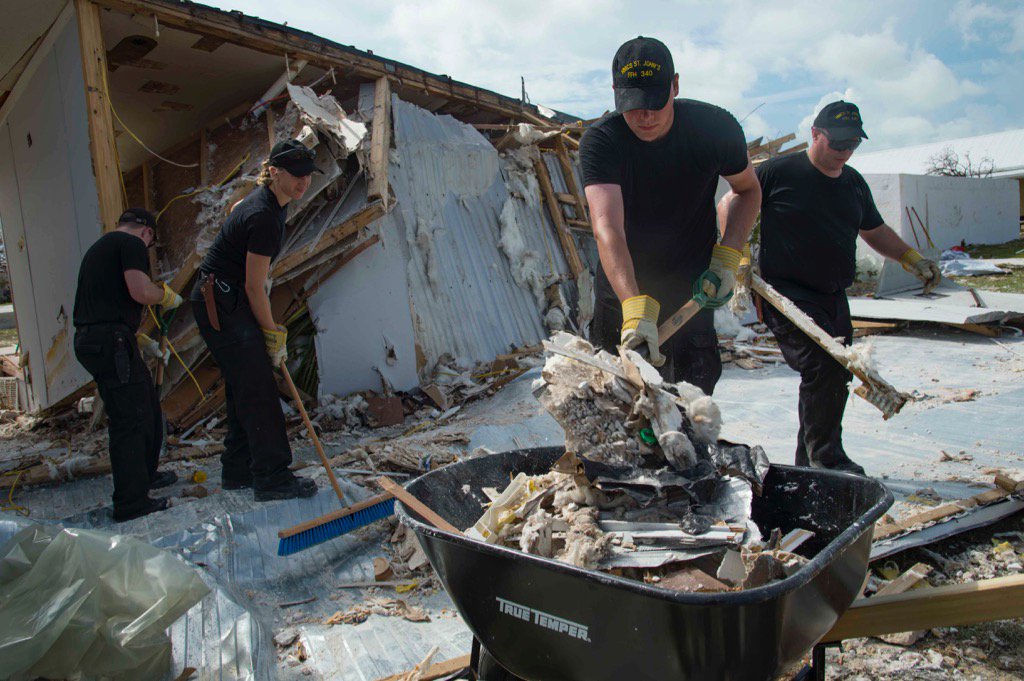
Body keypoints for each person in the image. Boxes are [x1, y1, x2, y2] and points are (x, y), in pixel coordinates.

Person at [721, 100, 940, 474]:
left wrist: (911, 259)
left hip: (834, 296)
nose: (845, 151)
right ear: (815, 134)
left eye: (853, 144)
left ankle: (809, 460)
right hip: (785, 295)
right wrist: (736, 255)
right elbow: (731, 202)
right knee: (825, 367)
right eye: (838, 143)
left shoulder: (853, 183)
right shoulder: (778, 171)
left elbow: (874, 231)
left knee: (835, 374)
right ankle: (827, 458)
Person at [580, 37, 761, 395]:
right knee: (618, 409)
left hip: (691, 291)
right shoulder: (602, 142)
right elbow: (607, 228)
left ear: (675, 86)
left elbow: (748, 190)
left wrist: (728, 256)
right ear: (615, 91)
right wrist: (633, 306)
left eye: (655, 102)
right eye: (633, 104)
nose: (645, 116)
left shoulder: (714, 130)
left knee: (690, 408)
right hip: (622, 290)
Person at [191, 140, 320, 500]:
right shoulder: (264, 215)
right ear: (274, 172)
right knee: (260, 389)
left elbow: (236, 216)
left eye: (308, 176)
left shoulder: (266, 203)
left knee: (243, 386)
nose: (304, 183)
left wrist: (269, 327)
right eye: (296, 176)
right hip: (222, 301)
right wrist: (270, 332)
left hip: (223, 296)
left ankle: (237, 470)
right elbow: (252, 285)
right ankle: (272, 477)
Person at [73, 208, 184, 522]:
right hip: (110, 341)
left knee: (147, 407)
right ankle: (131, 503)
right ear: (146, 232)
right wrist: (163, 294)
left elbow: (107, 301)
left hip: (105, 339)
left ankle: (145, 476)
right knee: (131, 419)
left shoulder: (102, 248)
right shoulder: (131, 244)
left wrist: (135, 339)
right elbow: (139, 291)